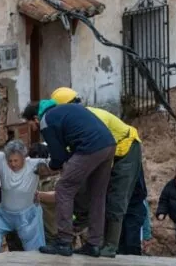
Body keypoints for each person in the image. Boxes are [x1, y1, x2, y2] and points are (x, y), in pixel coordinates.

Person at [51, 87, 142, 258]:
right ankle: (91, 239)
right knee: (89, 191)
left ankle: (110, 246)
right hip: (107, 154)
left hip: (126, 149)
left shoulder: (90, 117)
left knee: (116, 197)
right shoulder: (75, 120)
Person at [22, 100, 116, 257]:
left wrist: (47, 169)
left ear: (35, 118)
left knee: (63, 188)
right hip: (108, 144)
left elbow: (58, 158)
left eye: (30, 124)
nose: (32, 128)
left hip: (90, 146)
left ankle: (64, 242)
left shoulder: (46, 120)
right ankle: (94, 244)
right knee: (97, 194)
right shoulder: (63, 110)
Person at [0, 140, 48, 252]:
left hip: (27, 217)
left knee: (35, 251)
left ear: (24, 157)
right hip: (4, 215)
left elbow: (56, 164)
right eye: (10, 161)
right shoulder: (1, 159)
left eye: (16, 160)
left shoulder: (35, 164)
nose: (13, 164)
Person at [118, 167, 147, 256]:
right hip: (122, 206)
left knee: (131, 245)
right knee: (120, 245)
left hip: (132, 207)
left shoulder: (132, 161)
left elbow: (141, 192)